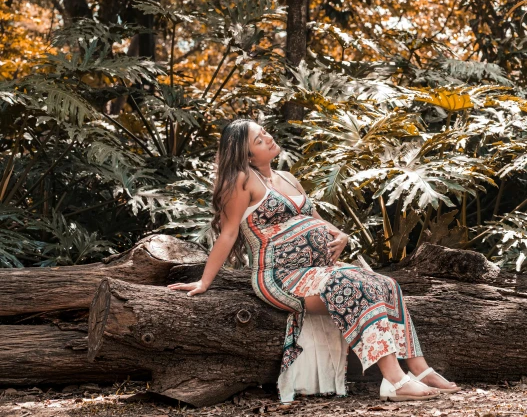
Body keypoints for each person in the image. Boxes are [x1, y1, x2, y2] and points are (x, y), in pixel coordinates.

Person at [167, 119, 459, 402]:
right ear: (247, 155)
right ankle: (395, 381)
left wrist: (340, 235)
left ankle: (420, 370)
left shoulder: (288, 178)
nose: (268, 137)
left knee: (386, 284)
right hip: (281, 276)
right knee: (355, 284)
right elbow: (229, 233)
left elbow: (316, 220)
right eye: (259, 140)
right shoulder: (242, 181)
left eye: (265, 132)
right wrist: (205, 282)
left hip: (318, 270)